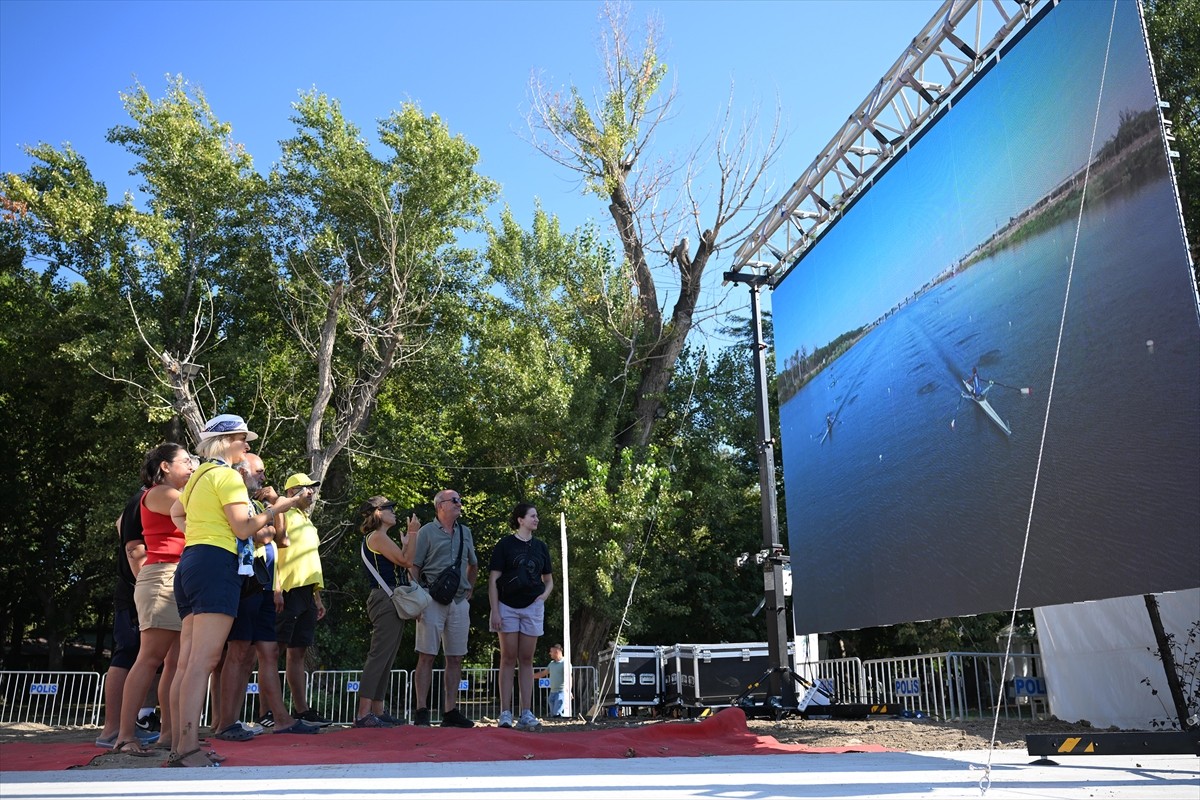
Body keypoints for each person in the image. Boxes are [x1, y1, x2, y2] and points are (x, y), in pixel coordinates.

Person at [168, 414, 314, 767]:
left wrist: (203, 532)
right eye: (242, 439)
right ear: (226, 442)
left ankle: (180, 744)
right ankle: (187, 749)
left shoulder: (199, 475)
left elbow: (176, 513)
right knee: (203, 661)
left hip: (193, 562)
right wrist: (279, 508)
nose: (247, 445)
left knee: (188, 663)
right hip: (217, 565)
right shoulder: (228, 476)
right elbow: (244, 528)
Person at [213, 455, 318, 739]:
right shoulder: (232, 499)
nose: (263, 477)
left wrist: (273, 510)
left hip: (265, 584)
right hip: (246, 582)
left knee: (267, 653)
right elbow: (255, 533)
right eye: (259, 471)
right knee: (238, 653)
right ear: (242, 472)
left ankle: (280, 718)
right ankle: (224, 722)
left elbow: (278, 538)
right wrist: (266, 524)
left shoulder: (259, 506)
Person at [110, 443, 195, 756]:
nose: (192, 466)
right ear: (164, 467)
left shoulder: (169, 494)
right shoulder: (161, 493)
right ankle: (124, 736)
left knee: (175, 663)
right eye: (186, 461)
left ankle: (169, 735)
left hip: (177, 577)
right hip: (162, 578)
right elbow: (201, 510)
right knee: (149, 658)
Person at [95, 484, 159, 749]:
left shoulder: (148, 499)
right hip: (136, 589)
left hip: (144, 587)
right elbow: (131, 542)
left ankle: (136, 721)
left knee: (150, 656)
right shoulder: (144, 499)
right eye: (186, 465)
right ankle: (112, 730)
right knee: (128, 653)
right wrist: (144, 583)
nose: (191, 470)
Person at [409, 489, 478, 728]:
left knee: (456, 657)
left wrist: (470, 588)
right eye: (455, 500)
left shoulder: (466, 532)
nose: (460, 504)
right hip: (431, 599)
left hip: (459, 602)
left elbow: (473, 564)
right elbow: (413, 566)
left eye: (460, 500)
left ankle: (450, 712)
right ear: (440, 506)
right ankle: (421, 711)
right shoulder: (426, 531)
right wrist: (417, 598)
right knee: (426, 655)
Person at [354, 496, 420, 728]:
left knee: (387, 656)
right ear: (378, 512)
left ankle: (377, 711)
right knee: (379, 656)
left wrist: (406, 543)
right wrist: (413, 533)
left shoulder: (378, 537)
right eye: (389, 508)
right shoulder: (378, 537)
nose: (394, 511)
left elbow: (401, 562)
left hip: (387, 599)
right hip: (385, 600)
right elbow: (407, 562)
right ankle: (363, 714)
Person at [488, 503, 553, 730]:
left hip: (533, 607)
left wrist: (543, 597)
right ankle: (505, 713)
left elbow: (549, 580)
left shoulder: (541, 546)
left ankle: (526, 712)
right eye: (532, 516)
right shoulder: (505, 545)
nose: (536, 519)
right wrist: (495, 611)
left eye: (537, 516)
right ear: (520, 519)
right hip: (507, 606)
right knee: (508, 658)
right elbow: (493, 580)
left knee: (526, 659)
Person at [274, 472, 332, 727]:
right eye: (306, 488)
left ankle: (301, 710)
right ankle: (268, 712)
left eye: (312, 488)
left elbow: (311, 561)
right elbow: (274, 551)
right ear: (291, 492)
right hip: (288, 589)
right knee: (272, 652)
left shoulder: (307, 520)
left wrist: (317, 598)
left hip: (307, 591)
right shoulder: (282, 512)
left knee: (297, 651)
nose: (311, 492)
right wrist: (276, 588)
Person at [534, 644, 566, 719]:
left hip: (561, 692)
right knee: (553, 714)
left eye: (551, 651)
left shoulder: (565, 663)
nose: (549, 653)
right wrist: (531, 676)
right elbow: (544, 673)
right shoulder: (551, 664)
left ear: (556, 651)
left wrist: (569, 691)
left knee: (557, 714)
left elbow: (569, 678)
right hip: (552, 692)